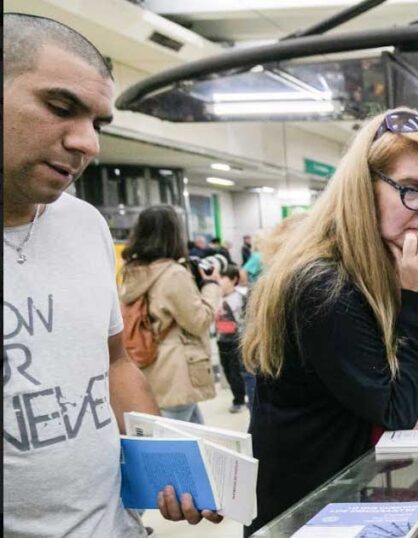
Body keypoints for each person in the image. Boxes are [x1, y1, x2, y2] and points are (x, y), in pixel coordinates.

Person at [3, 13, 219, 535]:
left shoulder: (85, 225)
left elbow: (115, 361)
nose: (88, 144)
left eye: (97, 124)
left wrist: (165, 460)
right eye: (60, 108)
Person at [241, 108, 418, 534]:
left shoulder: (360, 275)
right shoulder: (324, 286)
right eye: (411, 189)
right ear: (364, 188)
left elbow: (355, 381)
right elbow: (395, 411)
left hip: (338, 503)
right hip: (302, 517)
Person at [119, 205, 223, 425]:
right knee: (176, 442)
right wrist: (212, 286)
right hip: (177, 374)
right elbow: (199, 321)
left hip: (151, 367)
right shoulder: (172, 273)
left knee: (195, 437)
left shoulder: (131, 271)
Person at [216, 264, 248, 413]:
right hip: (221, 340)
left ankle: (239, 400)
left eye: (224, 278)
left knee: (236, 373)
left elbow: (243, 320)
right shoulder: (216, 297)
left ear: (233, 279)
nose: (221, 281)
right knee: (227, 371)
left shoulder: (240, 297)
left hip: (236, 341)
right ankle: (238, 397)